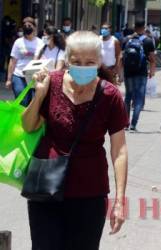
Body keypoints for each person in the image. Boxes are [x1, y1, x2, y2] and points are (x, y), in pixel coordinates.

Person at [22, 31, 129, 250]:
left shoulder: (110, 96)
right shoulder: (52, 83)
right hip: (46, 189)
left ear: (99, 61)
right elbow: (28, 125)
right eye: (76, 61)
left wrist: (120, 200)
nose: (82, 66)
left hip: (90, 193)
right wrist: (39, 95)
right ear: (67, 60)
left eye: (89, 62)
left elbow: (119, 150)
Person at [123, 19, 156, 132]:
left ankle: (125, 123)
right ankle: (133, 124)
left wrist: (119, 73)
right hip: (141, 73)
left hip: (128, 72)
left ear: (134, 26)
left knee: (128, 97)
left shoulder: (127, 39)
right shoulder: (147, 41)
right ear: (144, 27)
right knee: (139, 99)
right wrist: (152, 71)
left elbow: (121, 56)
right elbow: (152, 58)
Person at [5, 17, 44, 106]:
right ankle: (20, 119)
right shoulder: (18, 42)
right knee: (22, 101)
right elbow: (13, 61)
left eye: (29, 25)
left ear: (34, 27)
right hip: (19, 75)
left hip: (34, 77)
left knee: (34, 103)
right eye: (25, 25)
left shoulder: (40, 42)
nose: (27, 27)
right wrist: (9, 79)